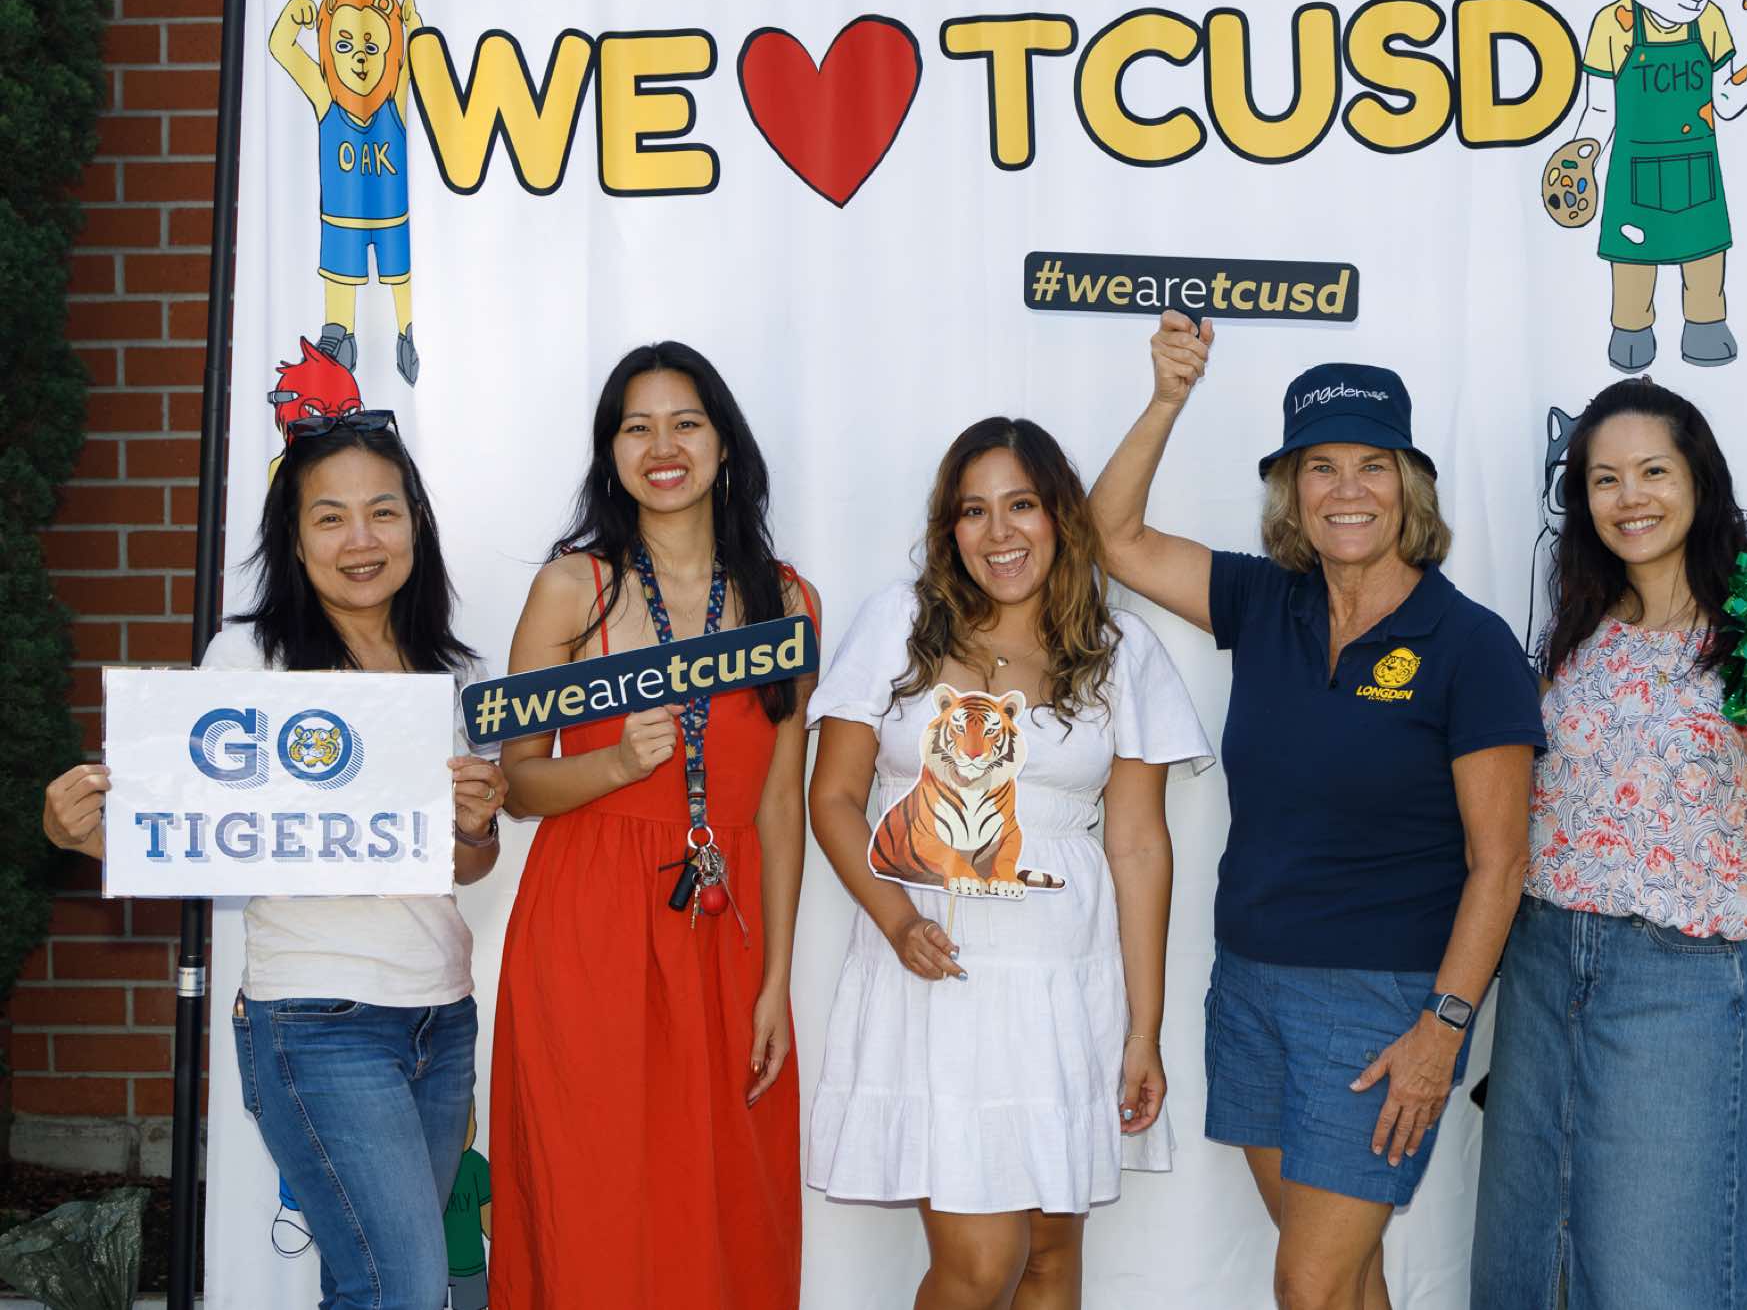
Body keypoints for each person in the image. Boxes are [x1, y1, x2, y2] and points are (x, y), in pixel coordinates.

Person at [1088, 312, 1542, 1310]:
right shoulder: (1266, 602)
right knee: (1339, 1275)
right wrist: (1166, 399)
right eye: (1320, 467)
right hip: (1250, 986)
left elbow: (1500, 862)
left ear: (1409, 486)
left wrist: (1442, 1028)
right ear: (1291, 489)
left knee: (1307, 1286)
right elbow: (1111, 536)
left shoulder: (1467, 644)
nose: (1347, 490)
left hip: (1383, 1003)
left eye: (1372, 466)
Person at [41, 410, 505, 1310]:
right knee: (402, 1289)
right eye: (330, 517)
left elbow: (464, 866)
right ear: (293, 539)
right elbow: (179, 828)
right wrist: (81, 831)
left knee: (376, 1286)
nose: (361, 539)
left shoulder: (454, 667)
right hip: (317, 1019)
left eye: (383, 511)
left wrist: (476, 828)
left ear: (416, 522)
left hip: (441, 1018)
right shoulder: (250, 658)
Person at [806, 417, 1211, 1310]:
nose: (999, 533)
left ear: (1060, 514)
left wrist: (1144, 1029)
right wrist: (896, 920)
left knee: (1050, 1261)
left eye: (1021, 505)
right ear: (949, 528)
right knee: (982, 1263)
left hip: (1062, 983)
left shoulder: (1119, 650)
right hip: (930, 974)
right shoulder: (898, 625)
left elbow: (1140, 845)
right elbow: (832, 797)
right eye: (973, 510)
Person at [1469, 379, 1747, 1309]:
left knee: (1662, 1277)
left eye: (1652, 471)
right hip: (1542, 970)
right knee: (1526, 1271)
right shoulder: (1573, 629)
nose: (1628, 497)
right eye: (1604, 479)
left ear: (1699, 482)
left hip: (1681, 988)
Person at [488, 342, 818, 1309]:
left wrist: (776, 978)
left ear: (725, 443)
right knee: (594, 1198)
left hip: (724, 929)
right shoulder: (573, 589)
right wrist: (614, 764)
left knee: (726, 1204)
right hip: (588, 925)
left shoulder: (787, 600)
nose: (663, 447)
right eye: (637, 427)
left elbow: (781, 802)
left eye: (686, 423)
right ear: (611, 452)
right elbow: (517, 781)